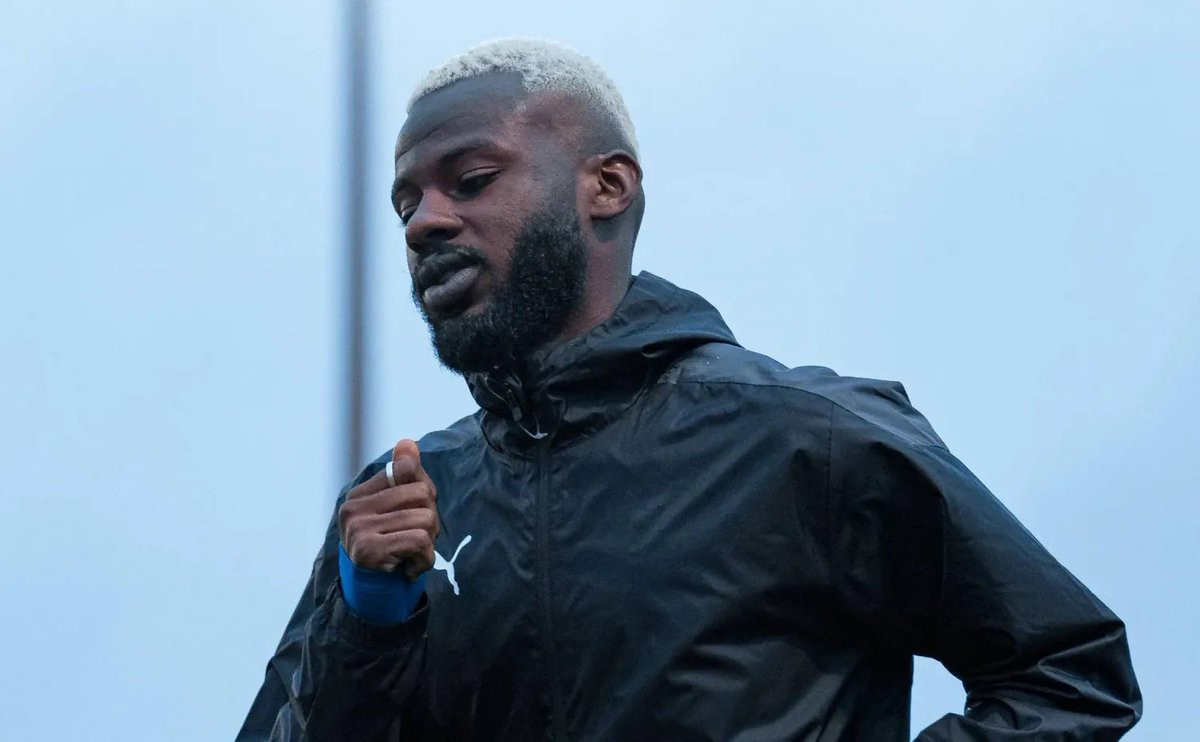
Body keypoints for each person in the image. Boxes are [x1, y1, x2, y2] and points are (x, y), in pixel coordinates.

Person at [238, 39, 1141, 741]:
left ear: (607, 186)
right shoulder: (397, 508)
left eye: (470, 181)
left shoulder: (802, 439)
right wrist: (368, 625)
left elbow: (1069, 675)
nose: (425, 222)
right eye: (406, 205)